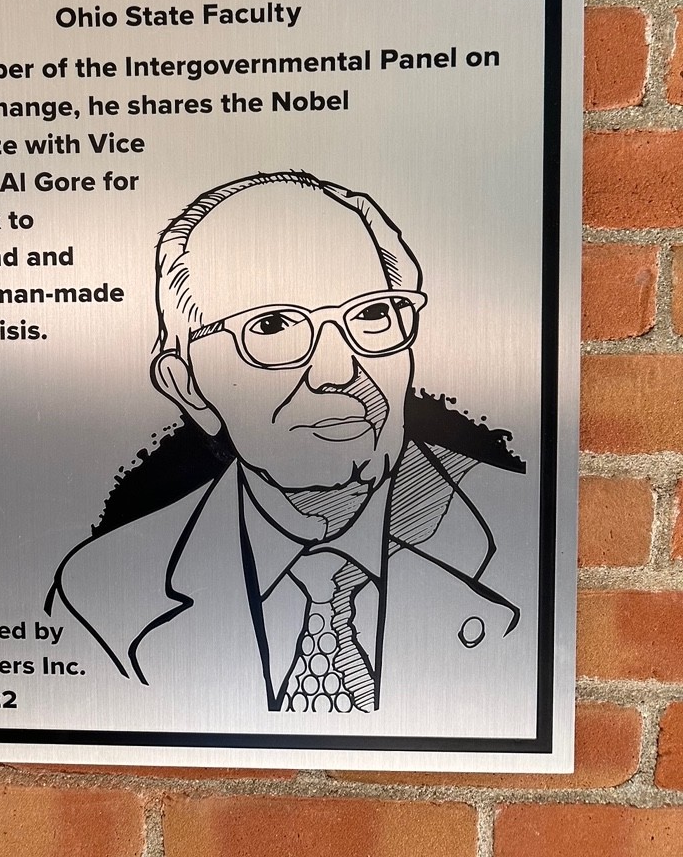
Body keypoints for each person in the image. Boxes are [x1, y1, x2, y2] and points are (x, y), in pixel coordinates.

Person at [50, 171, 526, 717]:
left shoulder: (529, 533)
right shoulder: (97, 595)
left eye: (372, 314)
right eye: (272, 326)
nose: (337, 370)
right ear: (190, 387)